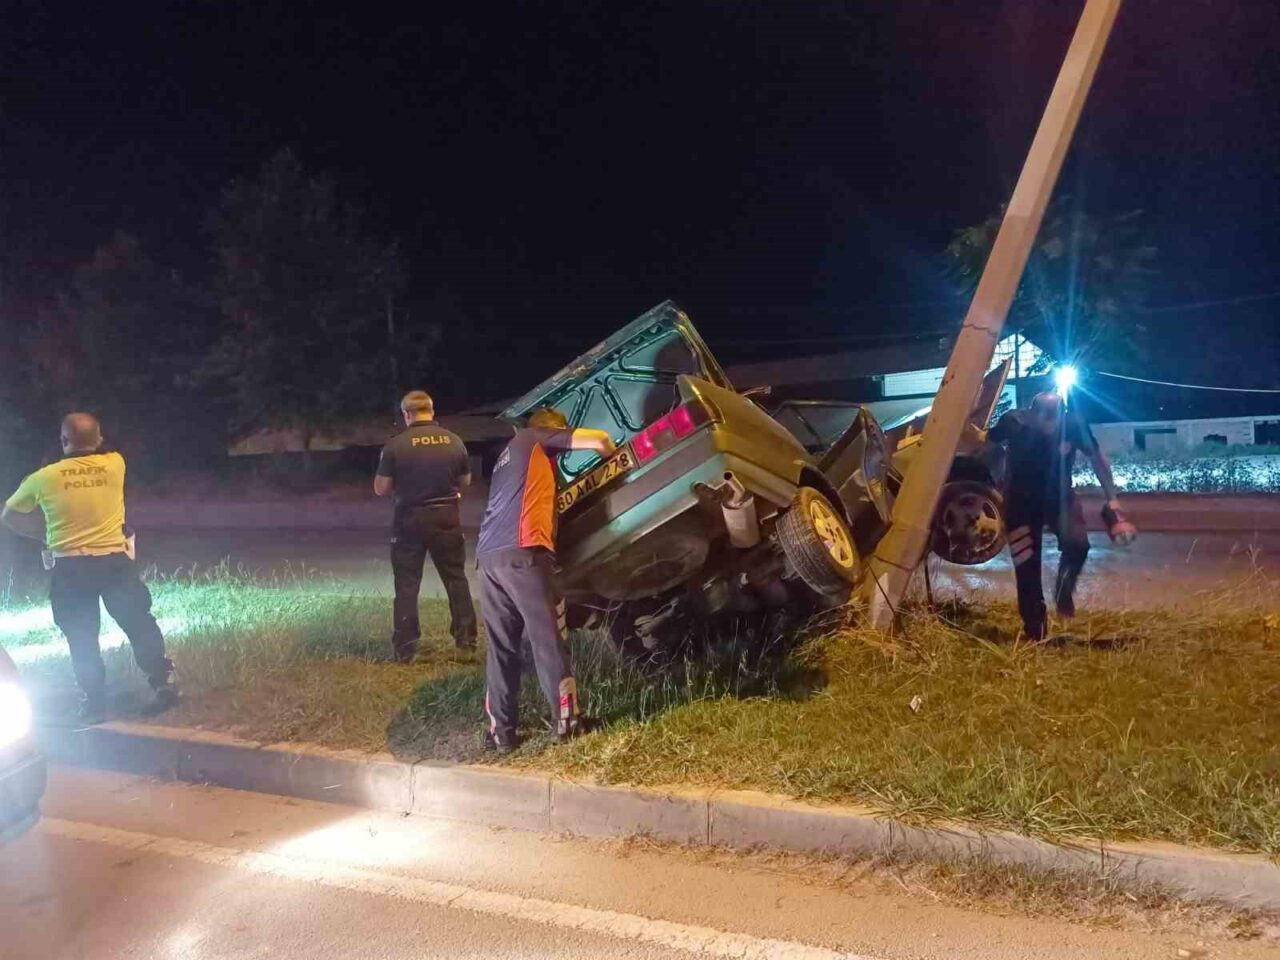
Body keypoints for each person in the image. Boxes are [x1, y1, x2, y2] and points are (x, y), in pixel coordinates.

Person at [2, 413, 177, 723]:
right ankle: (164, 685)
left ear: (63, 442)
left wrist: (42, 533)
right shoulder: (115, 464)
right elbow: (99, 447)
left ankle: (94, 703)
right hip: (114, 564)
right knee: (138, 622)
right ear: (97, 439)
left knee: (81, 636)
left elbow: (10, 515)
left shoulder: (44, 477)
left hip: (71, 568)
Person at [475, 407, 616, 752]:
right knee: (548, 639)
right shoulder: (534, 437)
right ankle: (568, 724)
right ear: (553, 431)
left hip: (488, 560)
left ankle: (502, 734)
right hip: (526, 554)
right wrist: (614, 459)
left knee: (502, 649)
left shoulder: (506, 459)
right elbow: (600, 440)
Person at [985, 391, 1138, 640]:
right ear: (1031, 413)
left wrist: (1112, 498)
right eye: (1041, 416)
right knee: (1027, 567)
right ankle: (1036, 631)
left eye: (1052, 416)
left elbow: (1097, 459)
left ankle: (1063, 590)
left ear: (1062, 414)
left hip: (1060, 499)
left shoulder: (1073, 425)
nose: (1047, 423)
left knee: (1078, 545)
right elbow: (986, 444)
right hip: (1020, 505)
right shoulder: (1014, 422)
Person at [374, 390, 477, 662]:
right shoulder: (454, 441)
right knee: (456, 578)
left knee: (407, 584)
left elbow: (381, 488)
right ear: (431, 411)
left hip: (409, 521)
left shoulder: (395, 445)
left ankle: (405, 649)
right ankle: (466, 641)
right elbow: (465, 481)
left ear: (407, 414)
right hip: (446, 517)